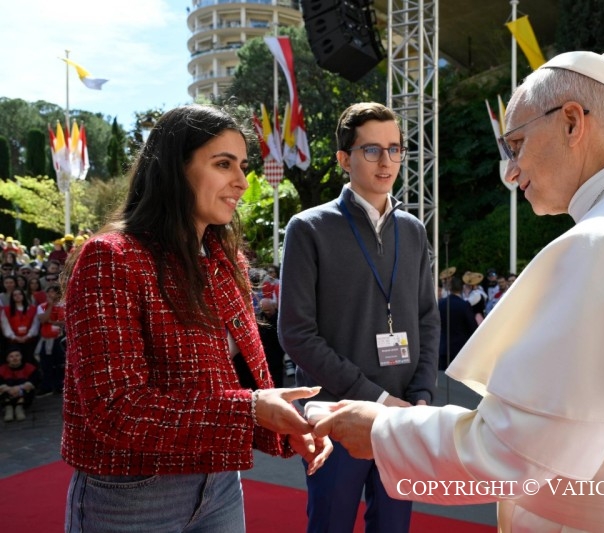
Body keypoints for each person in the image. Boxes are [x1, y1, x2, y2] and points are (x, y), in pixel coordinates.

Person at [313, 52, 604, 532]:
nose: (510, 171)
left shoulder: (602, 244)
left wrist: (383, 430)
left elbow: (518, 455)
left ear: (572, 122)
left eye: (516, 144)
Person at [60, 104, 331, 533]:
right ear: (173, 169)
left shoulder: (227, 260)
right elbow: (115, 409)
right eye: (223, 164)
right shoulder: (112, 258)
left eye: (242, 165)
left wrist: (286, 425)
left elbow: (238, 382)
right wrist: (253, 411)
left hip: (220, 482)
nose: (241, 182)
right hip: (132, 493)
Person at [278, 102, 440, 533]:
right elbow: (296, 333)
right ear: (344, 159)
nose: (386, 161)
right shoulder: (308, 228)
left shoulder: (413, 230)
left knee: (393, 526)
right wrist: (379, 400)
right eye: (371, 150)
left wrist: (421, 394)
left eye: (394, 148)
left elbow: (427, 317)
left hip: (403, 416)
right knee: (330, 525)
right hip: (337, 417)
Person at [438, 275, 477, 370]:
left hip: (443, 348)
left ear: (449, 288)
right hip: (461, 350)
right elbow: (472, 327)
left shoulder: (440, 304)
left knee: (443, 381)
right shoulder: (464, 305)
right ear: (462, 288)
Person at [0, 345, 39, 421]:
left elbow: (35, 381)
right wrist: (9, 389)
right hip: (7, 394)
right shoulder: (2, 369)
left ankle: (19, 406)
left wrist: (19, 388)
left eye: (17, 355)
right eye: (11, 356)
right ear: (7, 359)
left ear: (21, 356)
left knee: (28, 386)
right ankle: (8, 407)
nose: (15, 358)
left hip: (23, 394)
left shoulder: (29, 367)